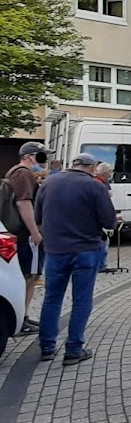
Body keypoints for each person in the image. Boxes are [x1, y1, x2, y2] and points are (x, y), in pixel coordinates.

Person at [36, 153, 118, 365]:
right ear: (91, 167)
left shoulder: (49, 183)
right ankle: (73, 349)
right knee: (81, 299)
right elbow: (109, 221)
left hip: (55, 249)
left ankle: (47, 346)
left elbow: (38, 217)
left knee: (52, 297)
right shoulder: (95, 186)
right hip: (85, 249)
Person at [7, 142, 47, 335]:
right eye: (41, 156)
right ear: (30, 156)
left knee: (28, 275)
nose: (43, 160)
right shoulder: (23, 173)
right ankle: (20, 318)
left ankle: (22, 315)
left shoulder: (16, 172)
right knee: (30, 276)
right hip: (26, 234)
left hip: (21, 233)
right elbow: (24, 203)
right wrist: (35, 232)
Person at [93, 163, 114, 271]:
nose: (111, 175)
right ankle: (100, 265)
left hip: (98, 217)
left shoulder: (101, 182)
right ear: (105, 173)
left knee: (103, 242)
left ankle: (100, 264)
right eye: (110, 172)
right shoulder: (98, 184)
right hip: (98, 219)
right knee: (102, 242)